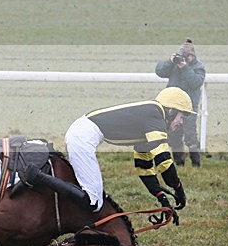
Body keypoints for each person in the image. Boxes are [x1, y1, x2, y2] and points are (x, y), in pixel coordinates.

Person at [22, 87, 192, 224]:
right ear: (170, 110)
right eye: (181, 116)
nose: (182, 122)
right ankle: (38, 176)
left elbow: (145, 168)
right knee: (93, 202)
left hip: (83, 133)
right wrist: (178, 189)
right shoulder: (155, 115)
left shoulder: (150, 120)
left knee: (93, 200)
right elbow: (163, 160)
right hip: (83, 136)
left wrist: (162, 199)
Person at [155, 38, 206, 167]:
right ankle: (179, 164)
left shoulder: (199, 68)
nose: (186, 58)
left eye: (188, 56)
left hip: (189, 108)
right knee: (174, 136)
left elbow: (195, 82)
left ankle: (196, 164)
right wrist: (170, 61)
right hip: (172, 107)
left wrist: (185, 67)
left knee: (190, 136)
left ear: (192, 55)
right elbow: (159, 71)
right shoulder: (174, 66)